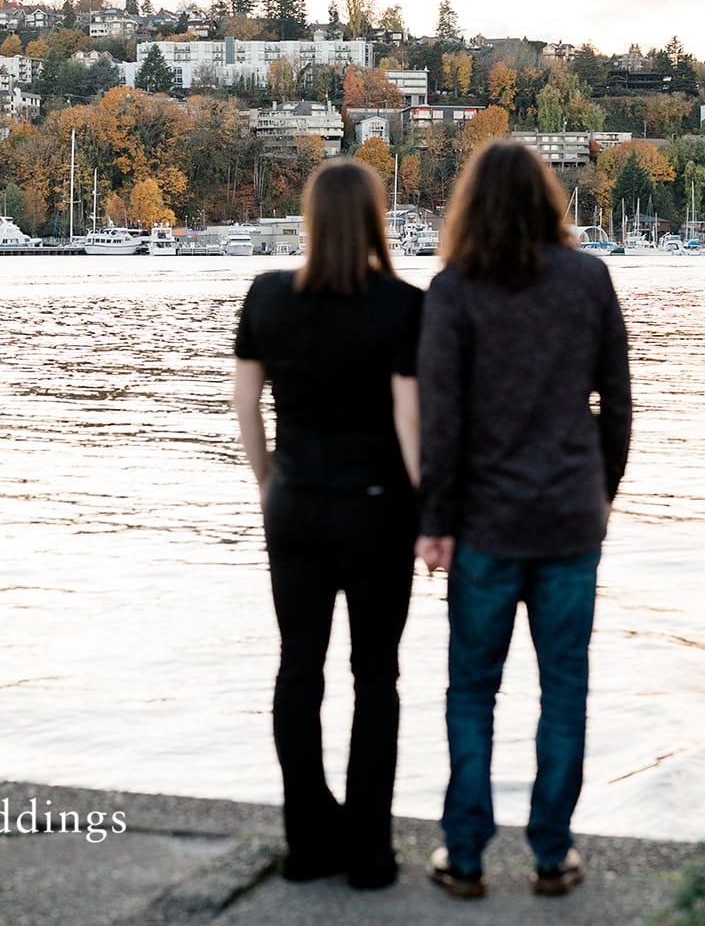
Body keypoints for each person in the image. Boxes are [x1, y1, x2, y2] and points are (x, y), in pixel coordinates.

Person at [416, 138, 632, 900]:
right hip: (570, 514)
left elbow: (441, 420)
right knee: (564, 684)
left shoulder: (453, 289)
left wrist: (434, 520)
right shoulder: (590, 279)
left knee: (472, 689)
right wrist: (602, 489)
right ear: (548, 198)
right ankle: (551, 850)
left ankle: (466, 853)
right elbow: (616, 402)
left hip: (483, 519)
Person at [232, 158, 424, 890]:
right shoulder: (405, 305)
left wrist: (268, 482)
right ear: (375, 221)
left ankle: (308, 839)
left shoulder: (268, 296)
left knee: (298, 667)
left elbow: (245, 405)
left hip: (296, 502)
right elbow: (410, 419)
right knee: (376, 675)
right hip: (378, 506)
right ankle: (370, 850)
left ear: (310, 220)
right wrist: (430, 508)